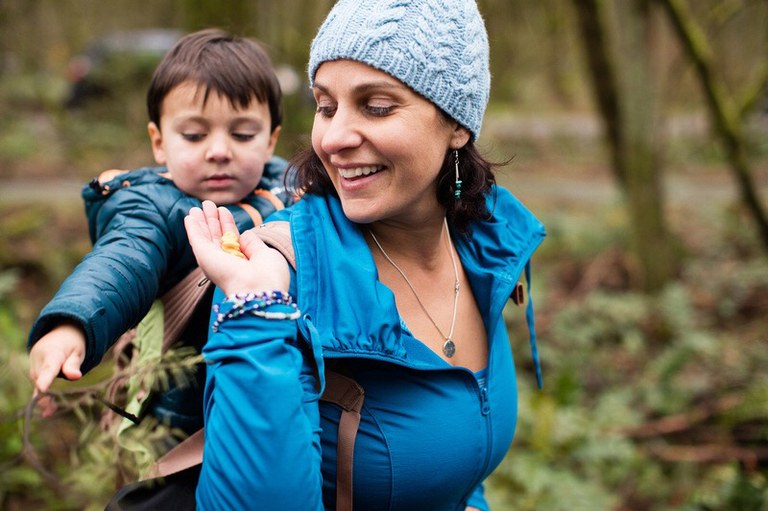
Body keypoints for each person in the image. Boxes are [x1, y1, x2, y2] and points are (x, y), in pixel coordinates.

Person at [185, 1, 546, 509]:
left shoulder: (485, 247)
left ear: (458, 125)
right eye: (326, 106)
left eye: (376, 106)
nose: (332, 139)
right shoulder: (271, 274)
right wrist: (254, 308)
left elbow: (459, 464)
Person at [27, 28, 290, 435]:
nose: (219, 150)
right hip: (184, 424)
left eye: (242, 134)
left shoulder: (291, 188)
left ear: (270, 140)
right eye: (194, 135)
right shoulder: (151, 208)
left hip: (281, 403)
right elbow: (122, 261)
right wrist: (72, 325)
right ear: (159, 142)